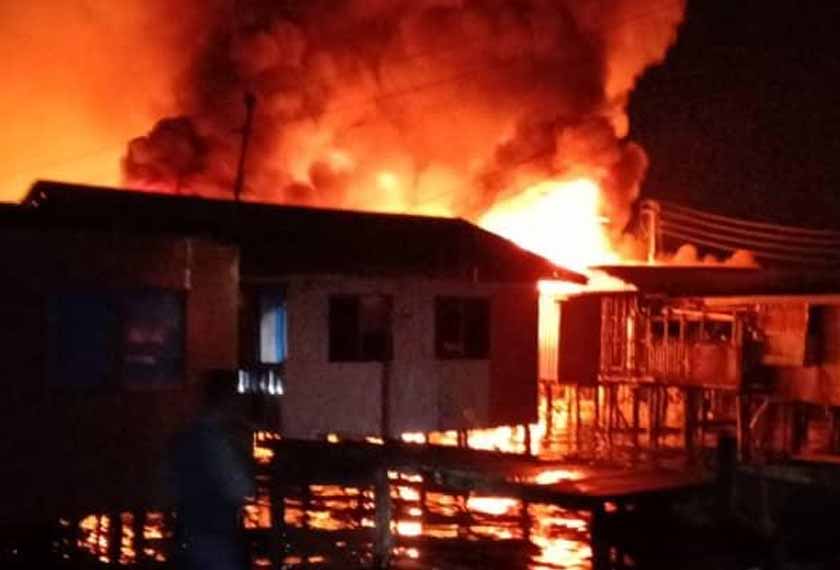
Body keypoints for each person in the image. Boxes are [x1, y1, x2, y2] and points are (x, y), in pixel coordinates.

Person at [168, 369, 255, 570]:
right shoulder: (217, 441)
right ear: (227, 400)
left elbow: (169, 487)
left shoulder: (184, 437)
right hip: (216, 537)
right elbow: (241, 488)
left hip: (189, 533)